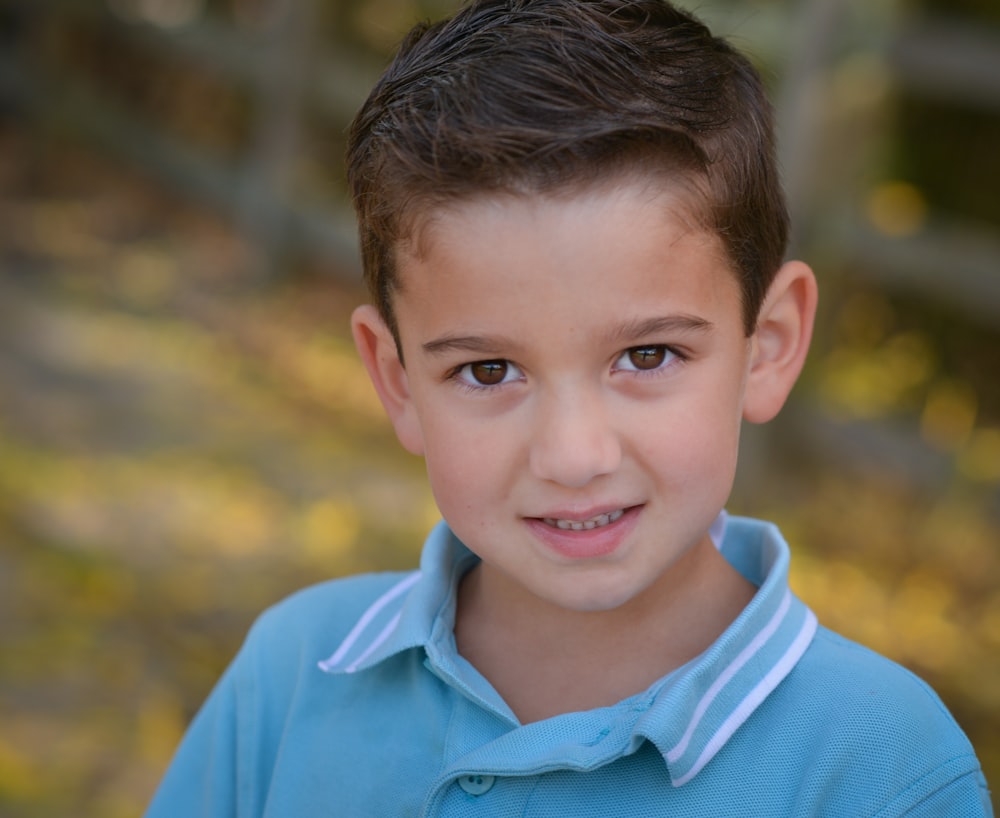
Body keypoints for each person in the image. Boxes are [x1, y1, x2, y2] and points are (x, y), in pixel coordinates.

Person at [145, 0, 993, 815]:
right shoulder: (295, 675)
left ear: (766, 346)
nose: (573, 455)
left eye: (647, 356)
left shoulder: (885, 769)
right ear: (397, 379)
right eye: (487, 371)